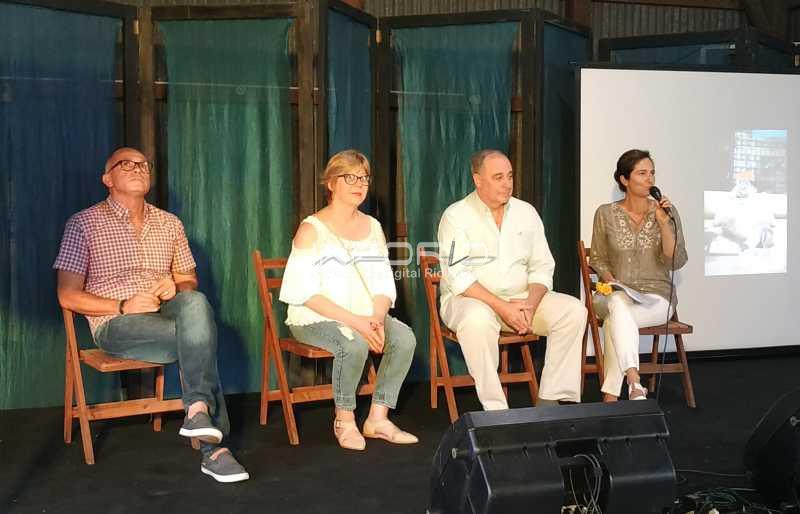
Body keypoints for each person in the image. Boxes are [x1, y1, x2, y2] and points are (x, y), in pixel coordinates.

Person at [54, 147, 248, 483]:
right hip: (116, 323)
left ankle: (198, 411)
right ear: (107, 179)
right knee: (200, 336)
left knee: (196, 301)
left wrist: (175, 285)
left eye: (144, 164)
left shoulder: (169, 223)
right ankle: (215, 449)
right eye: (127, 164)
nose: (139, 168)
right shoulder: (83, 223)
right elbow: (66, 295)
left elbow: (188, 279)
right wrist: (122, 305)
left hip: (165, 312)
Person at [279, 149, 417, 451]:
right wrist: (358, 323)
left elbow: (382, 282)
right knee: (353, 343)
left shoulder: (373, 227)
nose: (360, 184)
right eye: (350, 177)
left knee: (404, 338)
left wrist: (376, 318)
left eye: (364, 178)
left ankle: (377, 418)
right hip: (315, 317)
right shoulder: (311, 229)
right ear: (331, 183)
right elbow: (303, 293)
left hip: (365, 314)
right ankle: (344, 420)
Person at [437, 149, 587, 411]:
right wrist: (502, 307)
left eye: (509, 176)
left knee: (573, 311)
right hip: (470, 300)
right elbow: (458, 276)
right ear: (477, 180)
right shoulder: (456, 216)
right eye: (498, 177)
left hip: (521, 301)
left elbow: (542, 266)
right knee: (477, 319)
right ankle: (496, 410)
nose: (507, 183)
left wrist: (530, 304)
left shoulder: (526, 212)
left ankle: (550, 401)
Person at [590, 149, 687, 401]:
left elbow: (675, 261)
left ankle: (617, 393)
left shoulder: (667, 212)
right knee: (617, 302)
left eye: (652, 173)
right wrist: (611, 280)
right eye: (642, 173)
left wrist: (664, 223)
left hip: (656, 297)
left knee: (615, 320)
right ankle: (634, 382)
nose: (650, 179)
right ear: (624, 179)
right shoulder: (605, 213)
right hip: (615, 293)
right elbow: (598, 258)